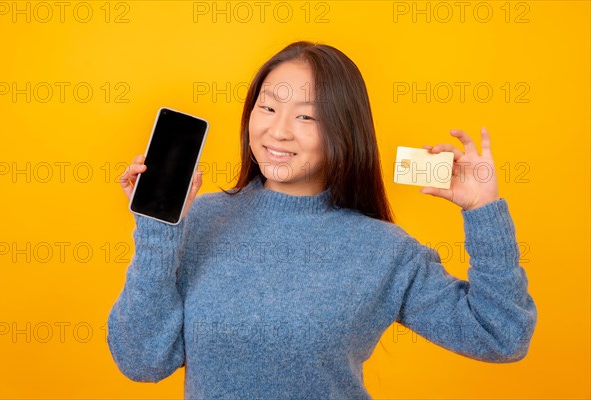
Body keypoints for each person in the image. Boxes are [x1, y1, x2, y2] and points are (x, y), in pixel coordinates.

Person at [108, 41, 537, 399]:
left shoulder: (384, 250)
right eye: (268, 107)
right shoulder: (200, 219)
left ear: (343, 130)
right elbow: (142, 360)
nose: (279, 132)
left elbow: (501, 335)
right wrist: (159, 229)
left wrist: (484, 213)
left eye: (307, 116)